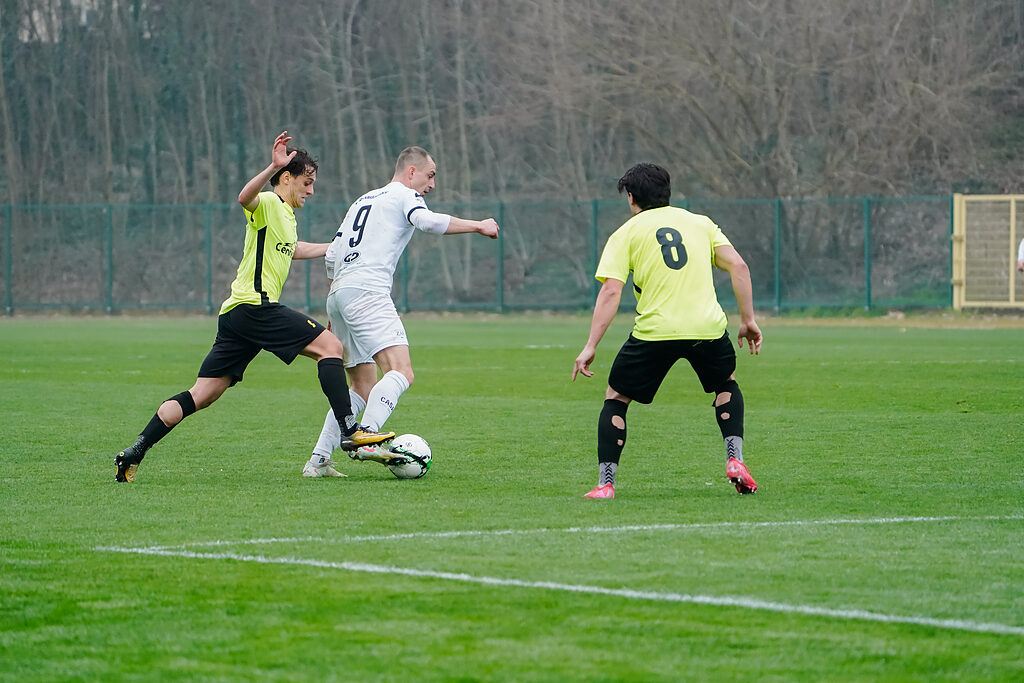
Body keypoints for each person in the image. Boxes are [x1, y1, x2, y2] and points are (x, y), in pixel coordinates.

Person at [114, 132, 394, 483]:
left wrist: (335, 247)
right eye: (307, 183)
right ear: (286, 178)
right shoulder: (269, 203)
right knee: (331, 347)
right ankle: (350, 430)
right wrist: (271, 167)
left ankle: (135, 450)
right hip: (255, 307)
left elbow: (294, 248)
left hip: (235, 315)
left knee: (202, 394)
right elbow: (245, 198)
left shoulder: (285, 216)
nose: (311, 191)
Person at [302, 146, 500, 477]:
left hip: (340, 294)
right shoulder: (403, 195)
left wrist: (336, 305)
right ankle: (364, 437)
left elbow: (333, 255)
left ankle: (319, 461)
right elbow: (427, 221)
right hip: (368, 292)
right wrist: (478, 225)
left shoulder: (362, 200)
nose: (431, 185)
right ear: (411, 171)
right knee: (401, 371)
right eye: (430, 176)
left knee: (362, 386)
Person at [571, 162, 763, 499]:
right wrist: (747, 319)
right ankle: (735, 460)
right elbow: (739, 266)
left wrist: (591, 344)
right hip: (706, 328)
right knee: (725, 383)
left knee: (616, 398)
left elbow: (611, 291)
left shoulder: (626, 233)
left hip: (655, 331)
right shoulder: (701, 223)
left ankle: (605, 484)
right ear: (667, 193)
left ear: (632, 198)